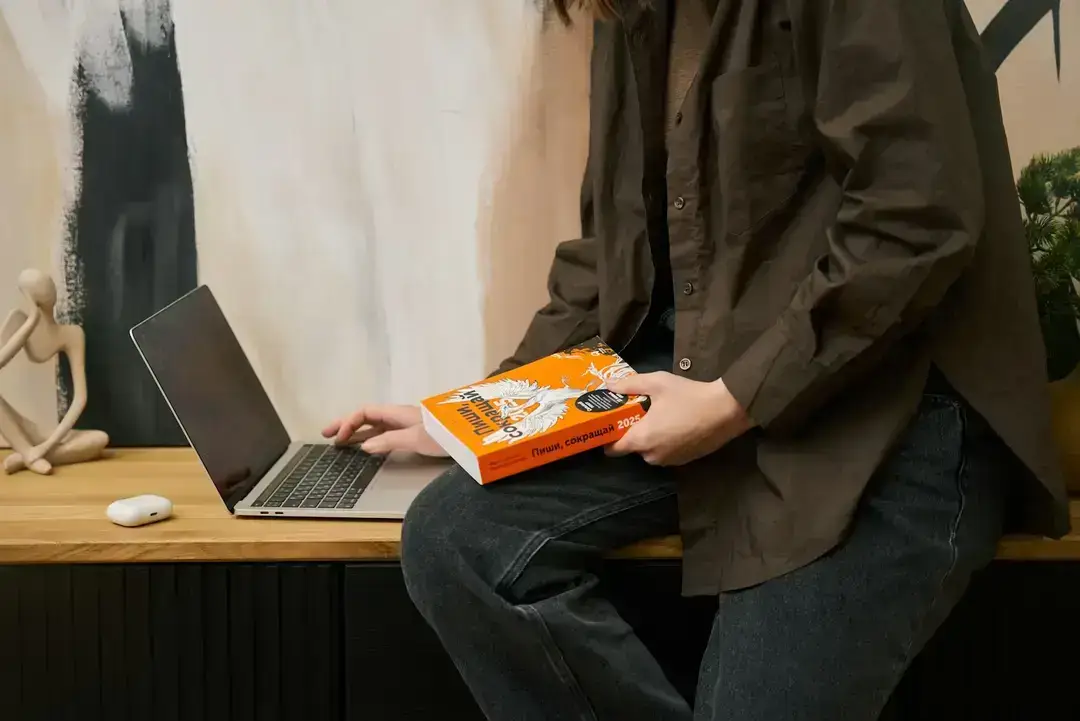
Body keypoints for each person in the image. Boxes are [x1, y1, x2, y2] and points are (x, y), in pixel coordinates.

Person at [323, 0, 1070, 718]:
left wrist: (732, 401)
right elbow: (613, 253)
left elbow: (914, 220)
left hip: (891, 411)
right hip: (711, 377)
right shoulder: (633, 11)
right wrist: (481, 415)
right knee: (458, 539)